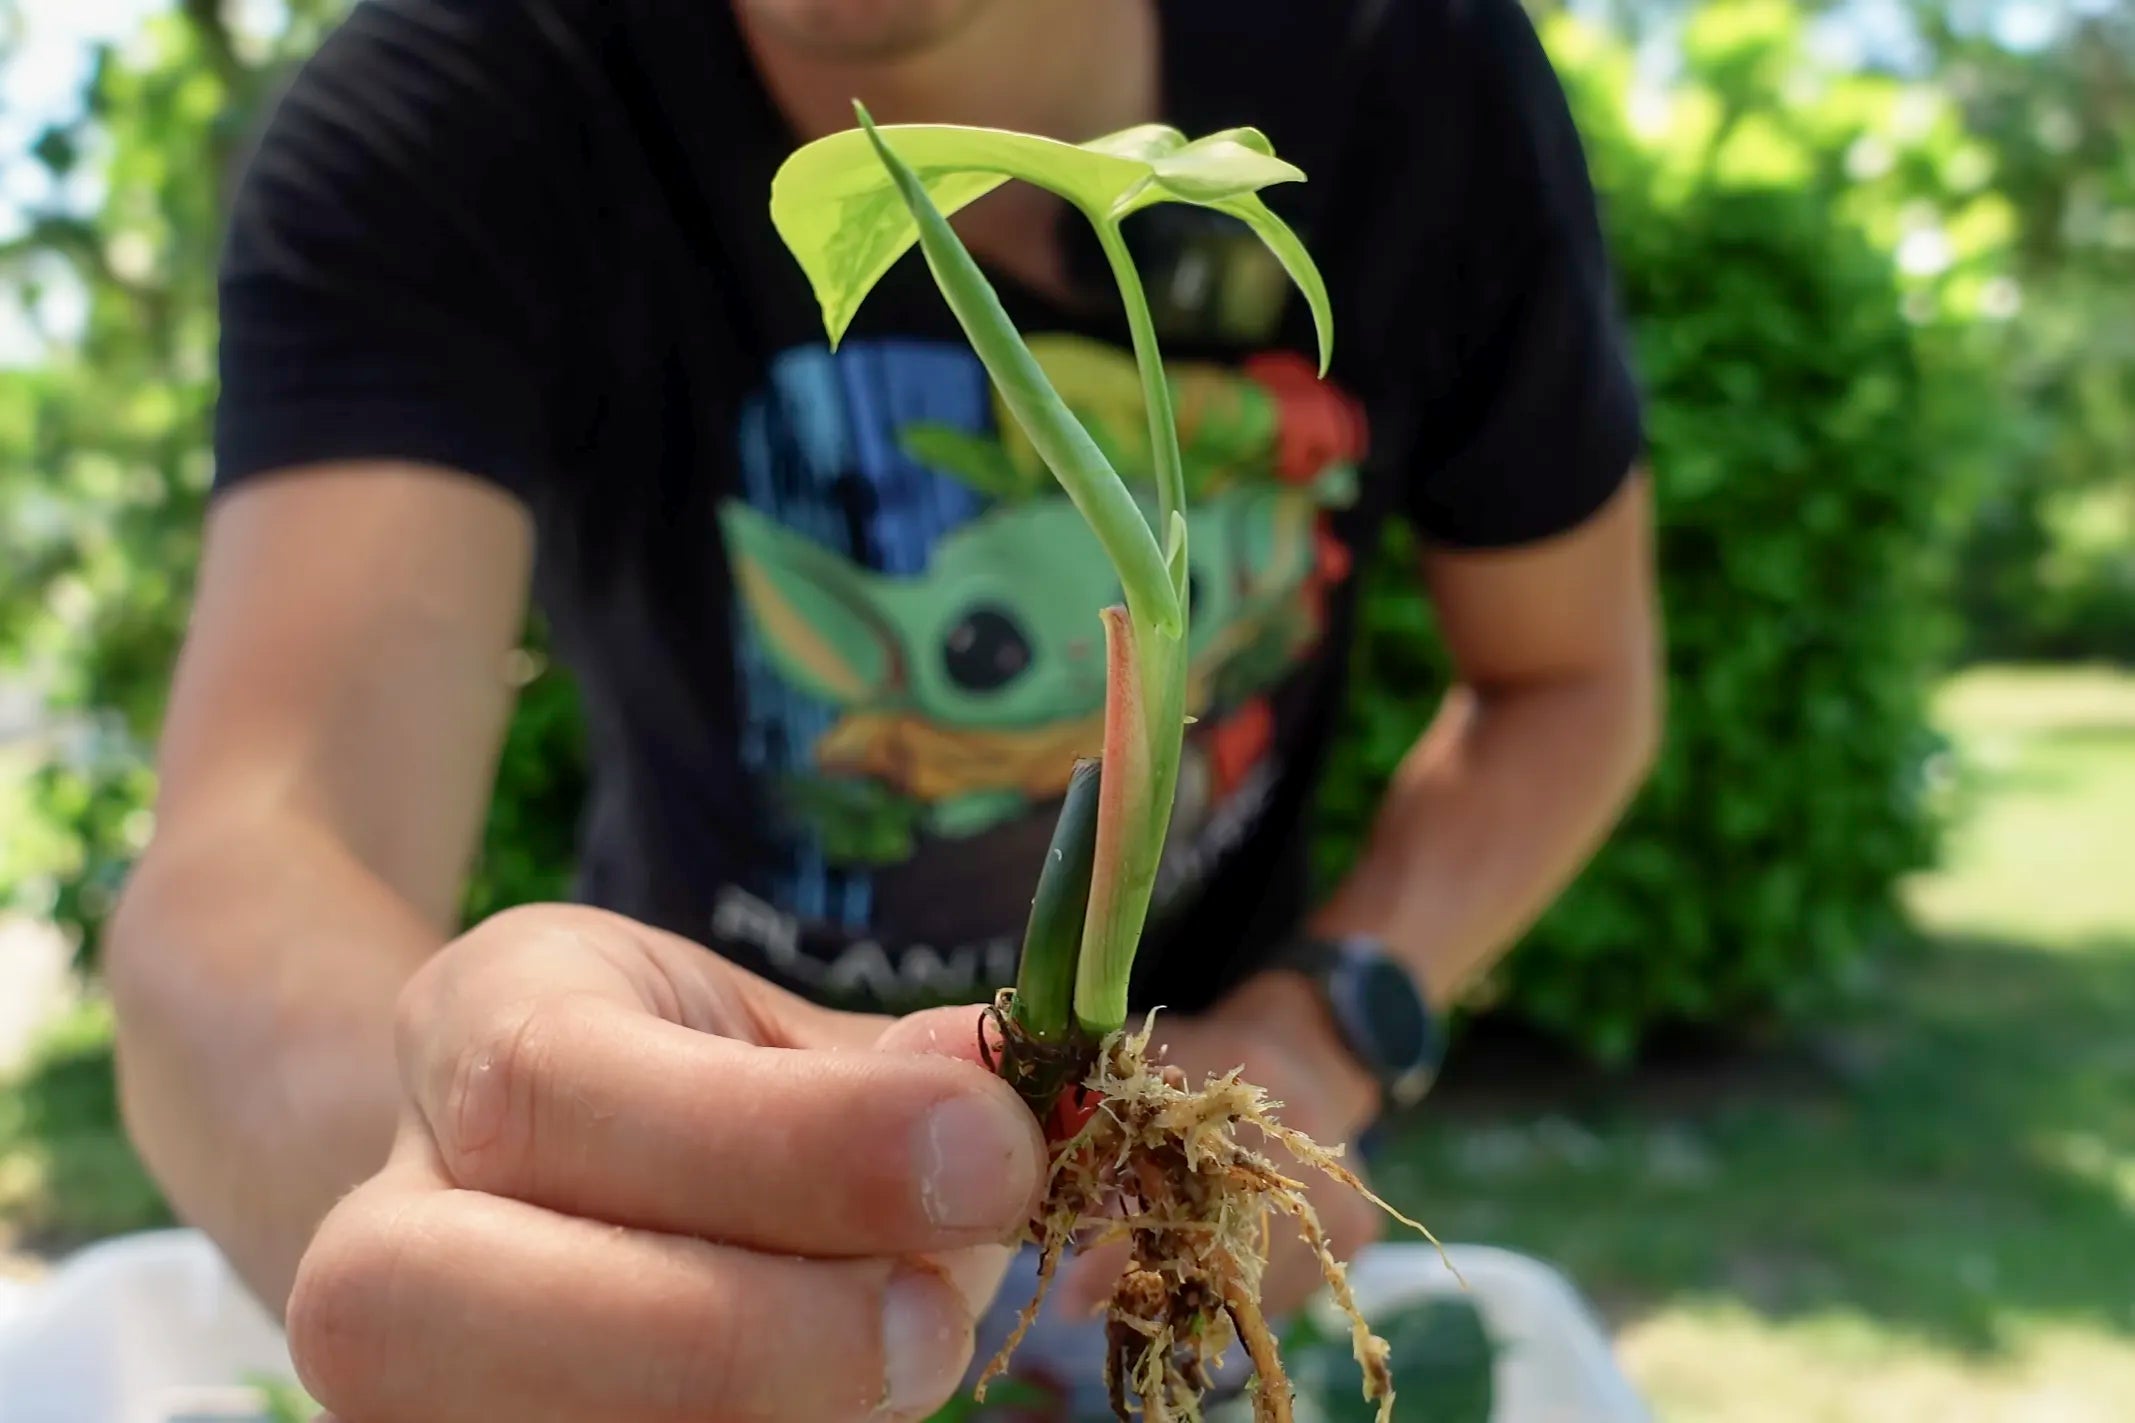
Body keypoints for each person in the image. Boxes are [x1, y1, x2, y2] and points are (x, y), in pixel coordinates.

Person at [103, 0, 1662, 1417]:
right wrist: (478, 1178)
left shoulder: (1410, 60)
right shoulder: (459, 107)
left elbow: (1573, 681)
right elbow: (256, 861)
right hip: (700, 1217)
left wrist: (1328, 1030)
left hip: (1211, 1190)